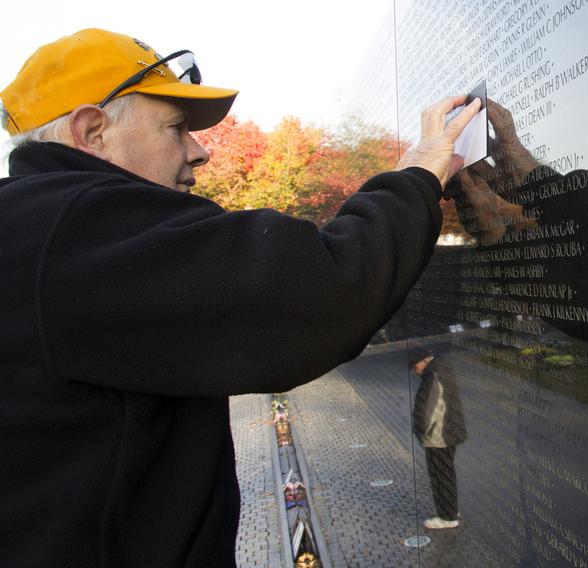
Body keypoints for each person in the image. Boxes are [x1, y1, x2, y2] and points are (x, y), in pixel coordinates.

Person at [0, 28, 480, 567]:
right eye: (176, 128)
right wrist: (418, 173)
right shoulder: (78, 226)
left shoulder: (35, 225)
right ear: (93, 131)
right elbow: (321, 291)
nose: (199, 151)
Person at [409, 347, 467, 530]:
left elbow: (428, 411)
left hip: (438, 436)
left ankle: (447, 517)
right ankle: (451, 511)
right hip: (449, 432)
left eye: (414, 366)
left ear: (424, 360)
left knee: (440, 475)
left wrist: (420, 429)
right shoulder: (442, 369)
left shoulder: (432, 376)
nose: (414, 370)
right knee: (447, 473)